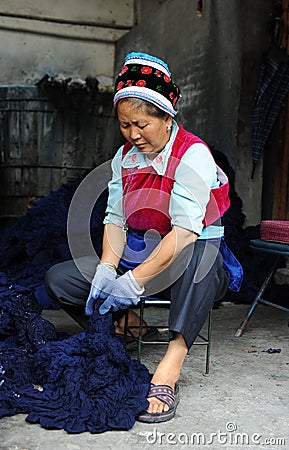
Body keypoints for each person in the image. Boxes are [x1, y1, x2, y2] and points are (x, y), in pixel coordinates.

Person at [45, 52, 232, 423]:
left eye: (142, 124)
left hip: (188, 260)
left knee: (198, 259)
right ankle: (131, 327)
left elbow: (182, 235)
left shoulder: (192, 155)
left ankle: (170, 363)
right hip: (141, 252)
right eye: (125, 125)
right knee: (59, 280)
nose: (133, 135)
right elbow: (115, 219)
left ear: (167, 117)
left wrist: (133, 280)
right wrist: (107, 268)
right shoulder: (125, 158)